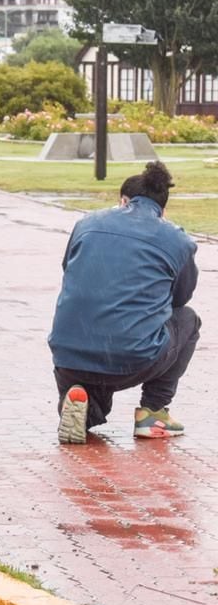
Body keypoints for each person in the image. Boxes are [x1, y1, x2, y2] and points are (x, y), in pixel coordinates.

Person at [50, 161, 199, 445]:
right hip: (132, 358)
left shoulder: (86, 224)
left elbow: (69, 268)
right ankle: (153, 412)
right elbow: (181, 299)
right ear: (162, 209)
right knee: (188, 320)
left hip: (67, 355)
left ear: (123, 201)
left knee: (92, 402)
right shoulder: (176, 239)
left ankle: (78, 399)